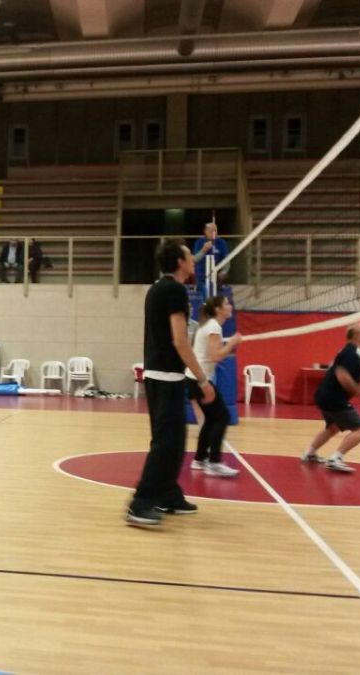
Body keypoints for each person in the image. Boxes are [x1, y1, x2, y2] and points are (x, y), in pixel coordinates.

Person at [126, 240, 214, 528]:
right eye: (190, 256)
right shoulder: (175, 290)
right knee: (165, 443)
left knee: (175, 441)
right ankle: (140, 503)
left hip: (162, 375)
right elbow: (179, 340)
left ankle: (168, 494)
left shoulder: (157, 289)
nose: (193, 261)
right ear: (179, 262)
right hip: (165, 376)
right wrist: (202, 379)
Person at [301, 323, 360, 473]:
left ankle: (309, 453)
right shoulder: (352, 353)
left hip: (325, 396)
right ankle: (336, 459)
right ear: (356, 335)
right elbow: (343, 376)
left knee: (333, 427)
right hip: (333, 398)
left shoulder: (352, 352)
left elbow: (356, 379)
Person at [186, 294, 242, 478]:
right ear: (218, 309)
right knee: (222, 417)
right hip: (200, 380)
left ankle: (199, 459)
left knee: (211, 419)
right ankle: (214, 462)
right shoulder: (213, 326)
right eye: (226, 303)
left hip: (194, 379)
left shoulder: (209, 325)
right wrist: (232, 343)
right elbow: (215, 356)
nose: (230, 306)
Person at [192, 222, 230, 295]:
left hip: (216, 278)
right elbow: (195, 259)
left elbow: (227, 260)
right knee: (205, 294)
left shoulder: (222, 243)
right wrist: (203, 250)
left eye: (215, 231)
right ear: (205, 232)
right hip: (202, 278)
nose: (214, 233)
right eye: (211, 231)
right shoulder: (199, 242)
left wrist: (224, 271)